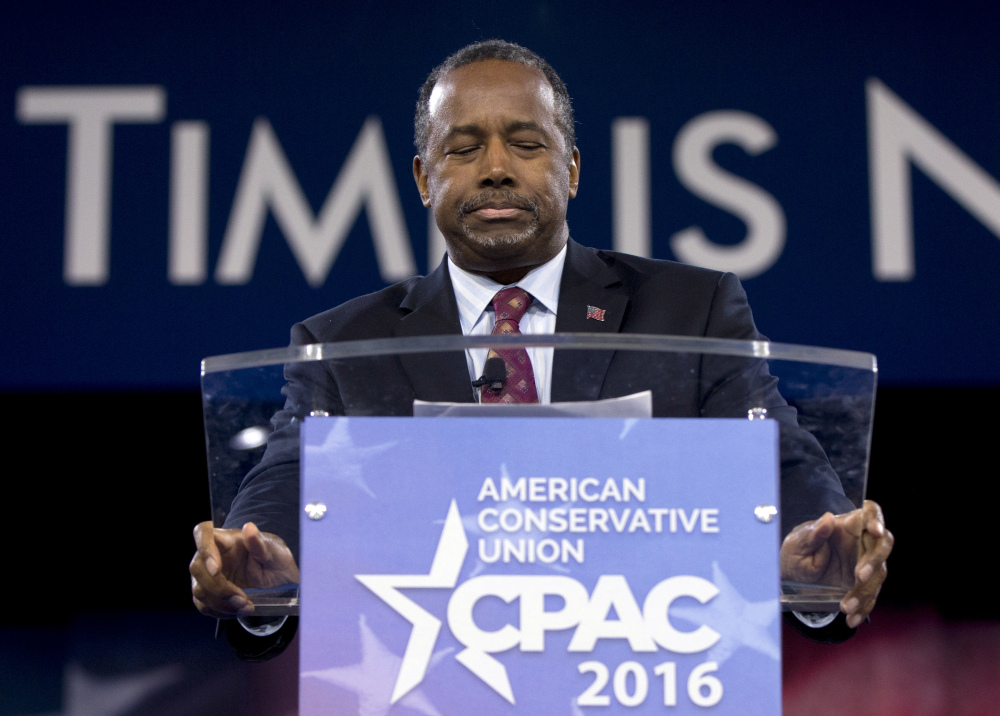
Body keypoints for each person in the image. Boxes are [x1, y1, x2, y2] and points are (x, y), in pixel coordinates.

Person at [191, 40, 892, 659]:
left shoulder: (691, 312)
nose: (496, 169)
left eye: (526, 143)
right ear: (422, 178)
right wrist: (265, 561)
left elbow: (775, 453)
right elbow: (287, 478)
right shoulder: (344, 345)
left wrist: (814, 553)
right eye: (462, 148)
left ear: (573, 169)